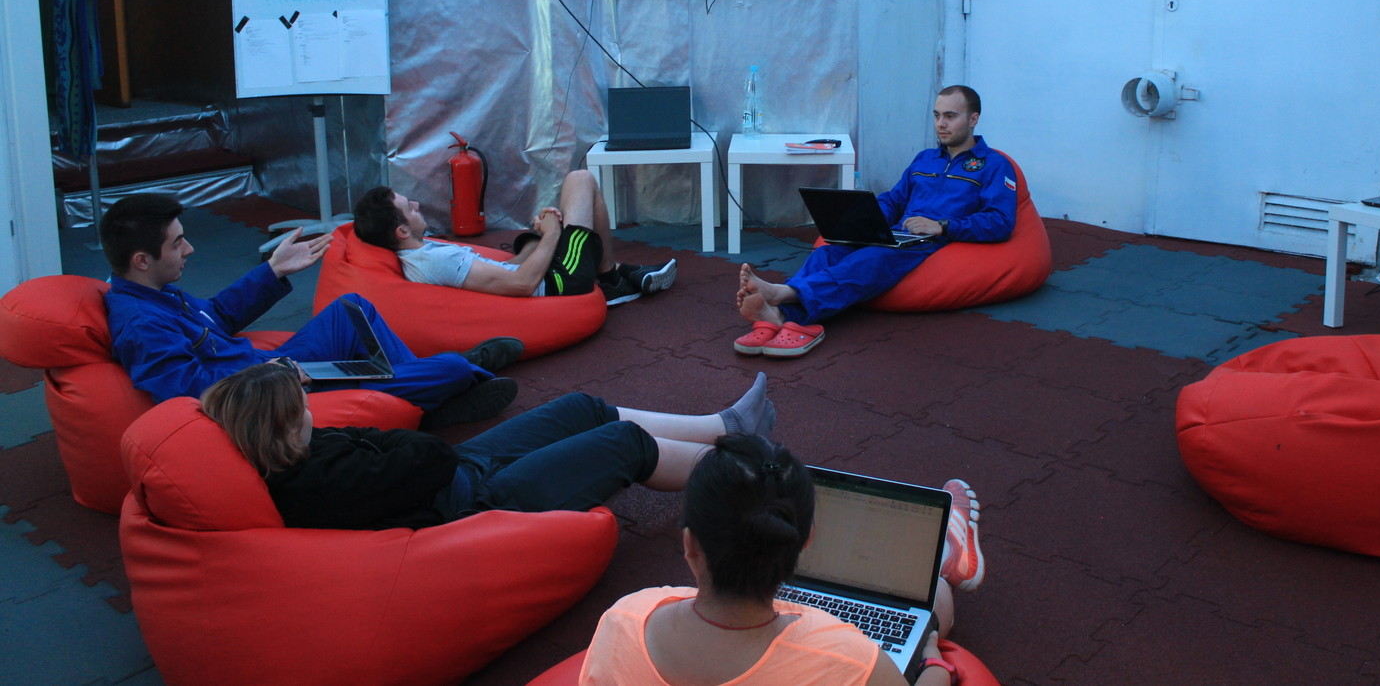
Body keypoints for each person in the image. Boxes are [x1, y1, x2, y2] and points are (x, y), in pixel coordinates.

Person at [578, 434, 985, 685]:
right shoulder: (852, 661)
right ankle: (947, 556)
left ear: (690, 544)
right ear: (805, 542)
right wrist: (936, 667)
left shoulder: (625, 618)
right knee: (935, 600)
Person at [100, 193, 521, 430]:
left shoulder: (154, 293)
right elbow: (187, 391)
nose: (189, 249)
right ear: (142, 260)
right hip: (271, 386)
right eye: (177, 243)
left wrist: (273, 270)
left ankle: (427, 388)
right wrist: (276, 375)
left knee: (351, 308)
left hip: (269, 364)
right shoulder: (141, 324)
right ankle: (454, 377)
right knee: (450, 368)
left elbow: (216, 317)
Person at [199, 361, 777, 530]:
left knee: (578, 408)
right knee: (623, 442)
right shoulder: (320, 482)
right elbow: (424, 454)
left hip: (457, 471)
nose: (310, 406)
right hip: (475, 505)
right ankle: (759, 477)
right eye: (299, 403)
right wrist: (390, 446)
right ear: (280, 426)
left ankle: (724, 425)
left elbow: (411, 454)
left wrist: (388, 446)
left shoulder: (305, 448)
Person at [734, 85, 1015, 357]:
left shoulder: (994, 165)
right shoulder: (925, 159)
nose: (941, 124)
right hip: (898, 232)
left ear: (973, 119)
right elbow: (895, 199)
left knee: (872, 259)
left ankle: (782, 295)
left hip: (931, 240)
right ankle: (781, 316)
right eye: (937, 115)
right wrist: (866, 216)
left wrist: (942, 226)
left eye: (950, 116)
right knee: (830, 251)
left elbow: (1000, 221)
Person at [353, 169, 676, 307]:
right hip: (559, 282)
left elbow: (508, 271)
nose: (416, 204)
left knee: (572, 194)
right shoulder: (436, 260)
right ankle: (611, 278)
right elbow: (522, 284)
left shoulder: (421, 252)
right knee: (581, 179)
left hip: (545, 275)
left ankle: (613, 274)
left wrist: (537, 241)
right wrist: (553, 232)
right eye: (408, 208)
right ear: (401, 231)